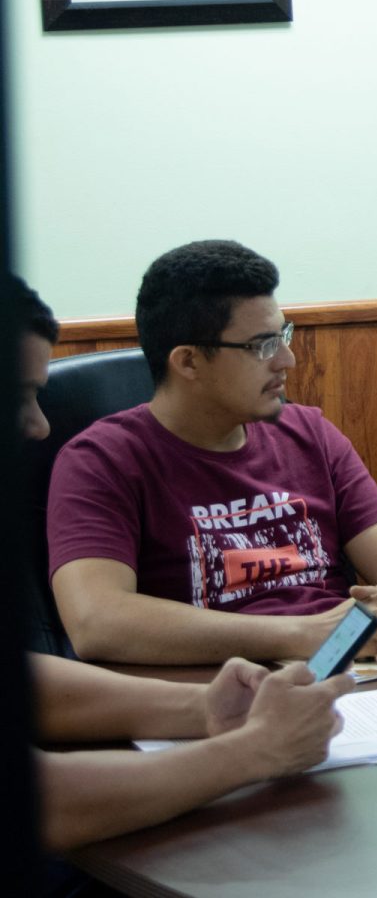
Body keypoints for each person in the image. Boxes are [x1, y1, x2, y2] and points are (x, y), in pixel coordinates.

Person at [12, 275, 349, 858]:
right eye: (15, 396)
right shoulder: (105, 455)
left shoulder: (310, 431)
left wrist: (209, 710)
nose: (38, 425)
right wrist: (253, 751)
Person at [46, 241, 377, 665]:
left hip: (350, 672)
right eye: (263, 346)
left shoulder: (310, 434)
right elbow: (97, 621)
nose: (287, 360)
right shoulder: (101, 461)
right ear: (189, 362)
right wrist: (304, 635)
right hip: (215, 688)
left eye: (283, 336)